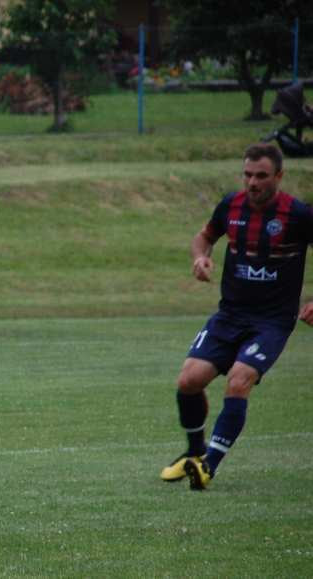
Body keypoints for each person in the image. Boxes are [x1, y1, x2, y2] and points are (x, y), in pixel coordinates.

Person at [160, 143, 313, 490]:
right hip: (230, 315)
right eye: (247, 175)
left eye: (261, 176)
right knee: (188, 380)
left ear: (279, 176)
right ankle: (195, 454)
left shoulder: (299, 214)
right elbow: (204, 237)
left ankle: (209, 467)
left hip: (272, 321)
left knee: (239, 379)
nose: (252, 183)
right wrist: (200, 258)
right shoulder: (231, 206)